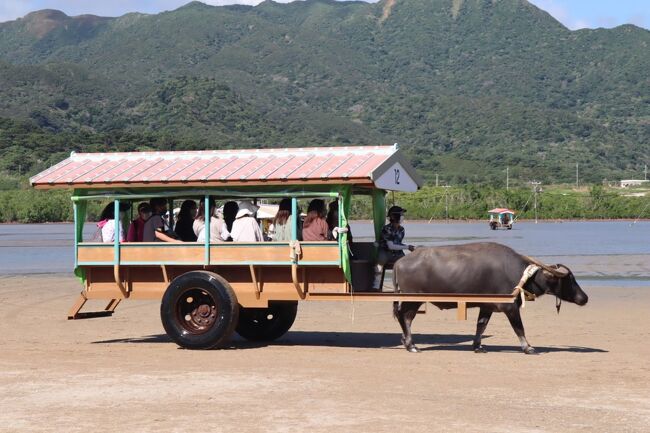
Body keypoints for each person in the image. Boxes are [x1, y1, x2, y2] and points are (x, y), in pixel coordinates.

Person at [373, 205, 415, 291]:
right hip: (385, 251)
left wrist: (410, 247)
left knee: (407, 262)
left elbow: (398, 243)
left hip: (397, 253)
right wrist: (408, 247)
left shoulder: (402, 229)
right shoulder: (386, 229)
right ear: (394, 216)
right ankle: (376, 286)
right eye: (401, 214)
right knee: (380, 262)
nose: (403, 216)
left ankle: (404, 286)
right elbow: (390, 245)